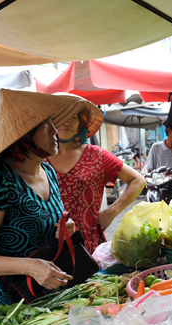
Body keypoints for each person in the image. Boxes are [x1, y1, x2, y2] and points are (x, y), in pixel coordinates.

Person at [0, 90, 81, 308]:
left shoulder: (47, 171)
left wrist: (63, 229)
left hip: (38, 292)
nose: (55, 130)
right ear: (23, 133)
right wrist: (30, 266)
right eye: (46, 124)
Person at [47, 94, 146, 255]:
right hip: (46, 243)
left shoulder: (96, 155)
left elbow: (138, 180)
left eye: (73, 117)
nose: (66, 122)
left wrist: (111, 212)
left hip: (87, 244)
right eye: (61, 116)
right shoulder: (39, 157)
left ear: (81, 123)